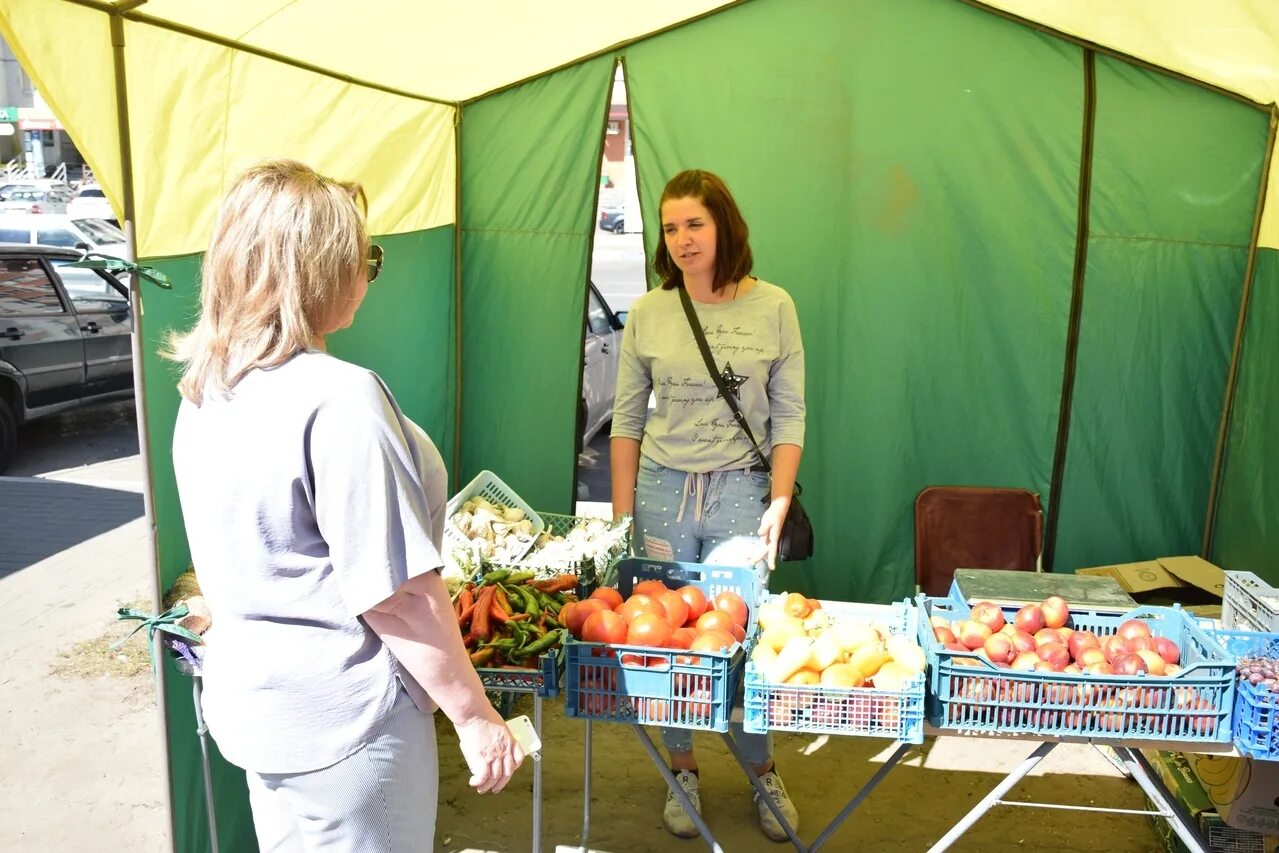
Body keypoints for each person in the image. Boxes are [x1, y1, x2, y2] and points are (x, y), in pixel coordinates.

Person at [167, 159, 522, 852]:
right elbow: (397, 597)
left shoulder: (205, 388)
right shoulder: (340, 396)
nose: (367, 272)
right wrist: (474, 714)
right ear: (318, 269)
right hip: (348, 727)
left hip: (259, 718)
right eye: (363, 255)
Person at [609, 169, 806, 842]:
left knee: (740, 638)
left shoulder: (774, 305)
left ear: (723, 225)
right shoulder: (647, 311)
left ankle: (760, 768)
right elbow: (626, 421)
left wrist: (778, 500)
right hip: (662, 494)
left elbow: (789, 414)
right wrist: (620, 515)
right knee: (664, 642)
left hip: (739, 494)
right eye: (670, 228)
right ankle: (682, 767)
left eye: (694, 223)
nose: (683, 239)